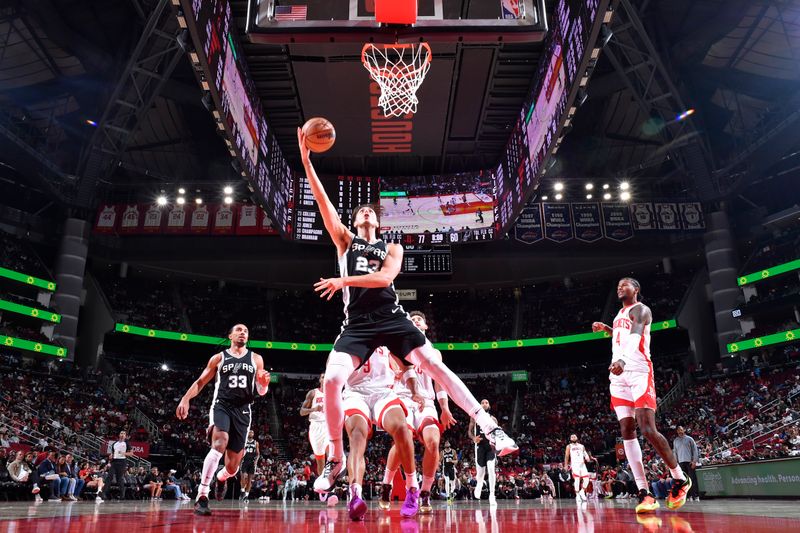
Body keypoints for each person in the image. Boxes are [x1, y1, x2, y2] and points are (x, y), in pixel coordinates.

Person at [297, 128, 516, 501]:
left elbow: (384, 277)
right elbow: (323, 204)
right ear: (355, 221)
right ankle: (335, 457)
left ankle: (488, 425)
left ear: (378, 222)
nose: (366, 212)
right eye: (361, 211)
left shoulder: (392, 246)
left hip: (392, 317)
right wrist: (306, 161)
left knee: (433, 364)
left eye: (370, 211)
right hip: (358, 325)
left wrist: (342, 279)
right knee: (332, 381)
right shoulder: (345, 241)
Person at [592, 278, 691, 514]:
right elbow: (622, 336)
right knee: (627, 430)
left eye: (625, 284)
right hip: (618, 377)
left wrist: (623, 361)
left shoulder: (642, 310)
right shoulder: (618, 314)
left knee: (646, 428)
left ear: (636, 289)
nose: (619, 287)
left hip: (637, 371)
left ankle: (680, 478)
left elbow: (635, 336)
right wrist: (608, 329)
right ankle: (644, 493)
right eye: (617, 284)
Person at [176, 323, 271, 516]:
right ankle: (202, 495)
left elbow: (261, 391)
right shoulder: (219, 358)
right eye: (238, 330)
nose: (243, 332)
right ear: (230, 336)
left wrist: (263, 385)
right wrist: (186, 398)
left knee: (232, 467)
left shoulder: (256, 358)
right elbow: (201, 381)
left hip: (243, 411)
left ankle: (221, 479)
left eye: (246, 330)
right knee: (220, 442)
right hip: (222, 406)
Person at [379, 311, 457, 514]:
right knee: (402, 440)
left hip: (427, 403)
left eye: (419, 319)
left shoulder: (435, 353)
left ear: (425, 326)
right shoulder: (397, 347)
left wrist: (445, 408)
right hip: (403, 398)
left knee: (433, 441)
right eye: (411, 319)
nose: (415, 321)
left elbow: (440, 382)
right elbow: (389, 372)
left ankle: (424, 493)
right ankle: (386, 484)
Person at [343, 346, 419, 520]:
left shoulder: (388, 333)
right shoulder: (346, 336)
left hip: (383, 392)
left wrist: (414, 391)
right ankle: (355, 493)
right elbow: (332, 369)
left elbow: (406, 366)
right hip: (355, 393)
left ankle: (412, 487)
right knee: (357, 434)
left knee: (402, 429)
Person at [469, 399, 499, 506]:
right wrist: (473, 438)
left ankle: (492, 495)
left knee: (491, 469)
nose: (485, 404)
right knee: (480, 473)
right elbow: (469, 431)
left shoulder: (493, 419)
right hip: (480, 446)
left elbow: (497, 433)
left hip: (490, 446)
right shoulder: (474, 417)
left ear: (489, 405)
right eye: (482, 402)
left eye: (487, 402)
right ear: (480, 405)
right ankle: (479, 484)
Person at [300, 374, 328, 480]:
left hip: (329, 426)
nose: (324, 378)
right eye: (322, 376)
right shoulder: (313, 393)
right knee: (320, 461)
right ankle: (324, 487)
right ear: (320, 380)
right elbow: (302, 412)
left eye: (326, 376)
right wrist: (314, 409)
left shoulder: (334, 392)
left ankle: (331, 483)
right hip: (316, 427)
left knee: (331, 454)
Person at [102, 430, 134, 501]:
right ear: (119, 435)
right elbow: (113, 454)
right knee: (109, 476)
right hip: (114, 461)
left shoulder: (127, 443)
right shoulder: (114, 444)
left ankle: (122, 495)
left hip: (122, 461)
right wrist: (111, 456)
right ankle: (103, 493)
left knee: (119, 478)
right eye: (121, 433)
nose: (122, 434)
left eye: (124, 434)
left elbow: (131, 453)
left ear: (125, 436)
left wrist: (123, 453)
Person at [672, 426, 700, 501]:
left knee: (692, 479)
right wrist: (676, 463)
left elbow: (695, 450)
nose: (680, 431)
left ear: (684, 430)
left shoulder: (689, 439)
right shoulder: (675, 441)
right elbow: (675, 452)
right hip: (681, 463)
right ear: (677, 432)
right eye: (678, 430)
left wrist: (694, 461)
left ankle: (696, 496)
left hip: (689, 462)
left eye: (681, 430)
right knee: (684, 481)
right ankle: (688, 496)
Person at [564, 434, 593, 502]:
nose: (573, 437)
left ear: (577, 437)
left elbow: (584, 453)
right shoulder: (569, 446)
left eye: (574, 436)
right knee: (577, 479)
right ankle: (577, 495)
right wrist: (566, 465)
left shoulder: (581, 446)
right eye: (572, 437)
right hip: (574, 465)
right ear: (570, 439)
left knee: (587, 479)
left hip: (582, 464)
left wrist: (587, 457)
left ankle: (582, 491)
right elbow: (566, 456)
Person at [240, 430, 259, 502]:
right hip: (244, 461)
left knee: (249, 480)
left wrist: (256, 461)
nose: (251, 433)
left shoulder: (256, 443)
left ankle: (246, 496)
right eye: (249, 432)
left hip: (252, 462)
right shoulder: (244, 442)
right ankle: (242, 490)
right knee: (243, 476)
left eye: (252, 432)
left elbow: (258, 454)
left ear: (253, 434)